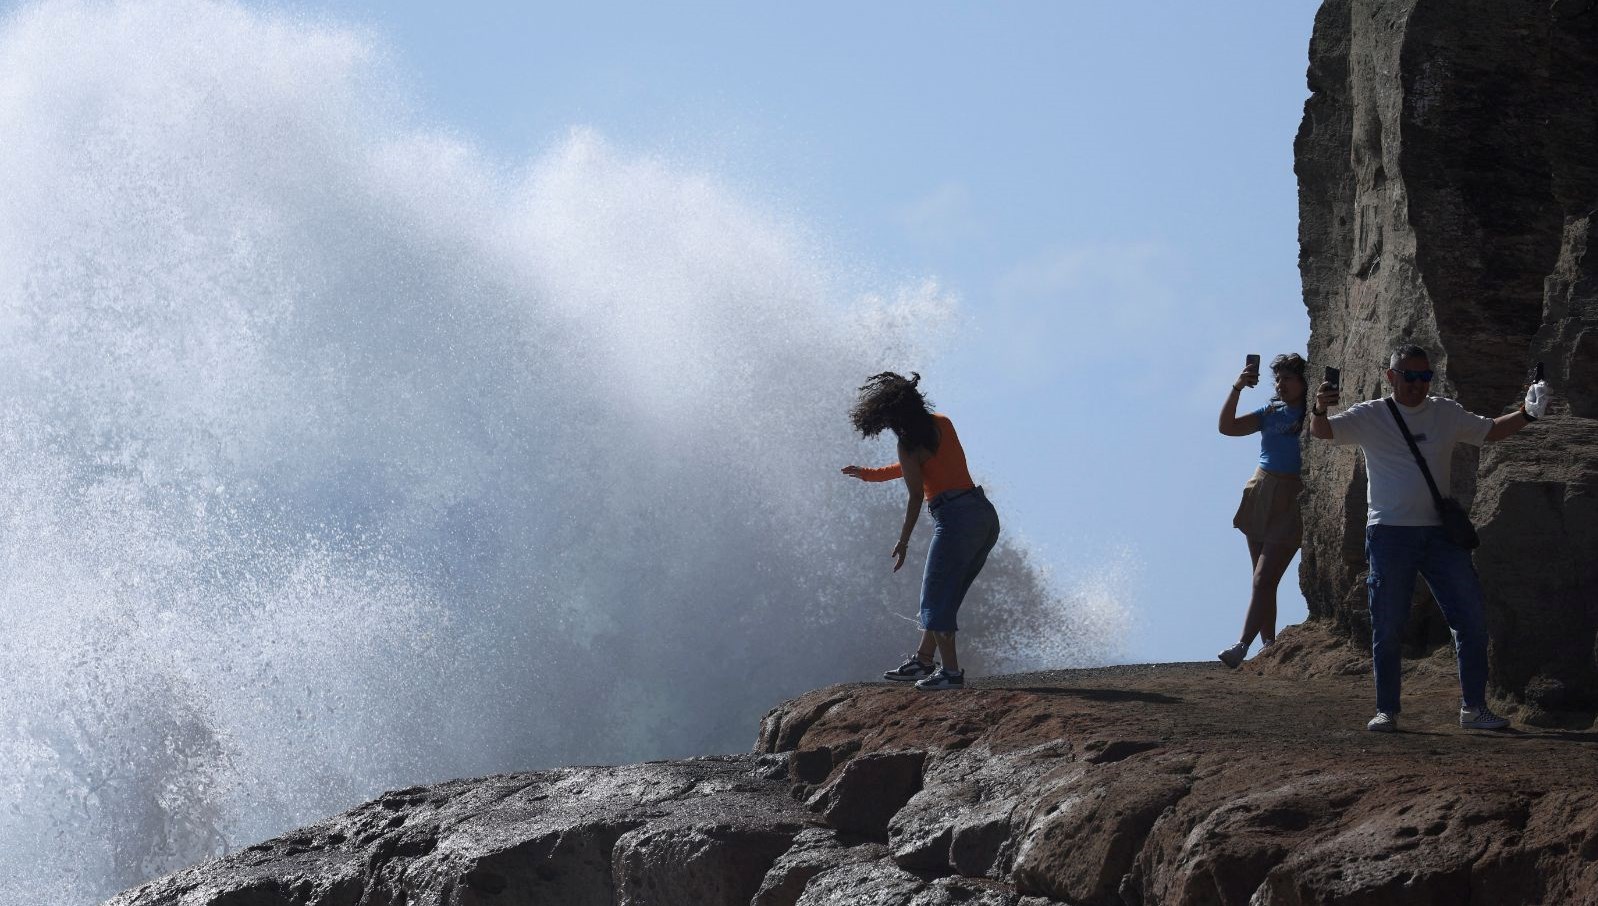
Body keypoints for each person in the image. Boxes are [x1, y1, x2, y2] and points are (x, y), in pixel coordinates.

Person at [1311, 344, 1548, 732]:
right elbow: (1324, 432)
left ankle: (1473, 708)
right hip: (1389, 533)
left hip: (1440, 535)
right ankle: (1387, 709)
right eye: (1410, 376)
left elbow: (1490, 431)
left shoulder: (1444, 412)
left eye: (1425, 377)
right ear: (1391, 377)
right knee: (1387, 625)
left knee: (1470, 619)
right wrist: (1320, 407)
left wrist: (1527, 414)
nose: (1418, 385)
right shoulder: (1372, 415)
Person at [841, 372, 1001, 691]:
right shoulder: (941, 423)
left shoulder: (908, 444)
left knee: (935, 595)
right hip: (983, 516)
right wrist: (870, 475)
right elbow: (917, 466)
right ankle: (924, 660)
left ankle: (951, 674)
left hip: (955, 519)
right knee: (948, 593)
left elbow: (915, 494)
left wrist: (903, 541)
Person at [1216, 353, 1308, 668]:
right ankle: (1268, 644)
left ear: (1303, 381)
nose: (1281, 385)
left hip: (1291, 496)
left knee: (1263, 578)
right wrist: (1237, 387)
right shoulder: (1270, 411)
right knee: (1262, 580)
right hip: (1261, 489)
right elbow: (1226, 427)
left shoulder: (1311, 414)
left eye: (1288, 378)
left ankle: (1242, 644)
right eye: (1278, 379)